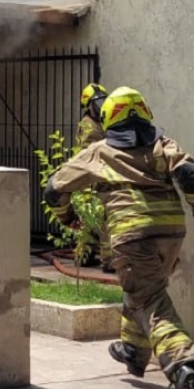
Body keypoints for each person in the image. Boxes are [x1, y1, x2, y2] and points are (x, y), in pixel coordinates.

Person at [43, 86, 194, 389]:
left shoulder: (100, 151)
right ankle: (133, 350)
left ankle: (181, 364)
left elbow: (54, 188)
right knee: (144, 288)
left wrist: (68, 216)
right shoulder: (164, 144)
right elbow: (191, 175)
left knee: (150, 298)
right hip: (172, 233)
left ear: (108, 117)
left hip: (132, 233)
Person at [77, 82, 114, 272]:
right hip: (95, 178)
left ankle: (85, 255)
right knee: (102, 218)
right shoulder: (90, 126)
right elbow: (90, 155)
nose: (100, 106)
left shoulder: (101, 123)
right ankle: (109, 260)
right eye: (96, 103)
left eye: (103, 102)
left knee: (92, 221)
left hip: (100, 176)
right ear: (88, 106)